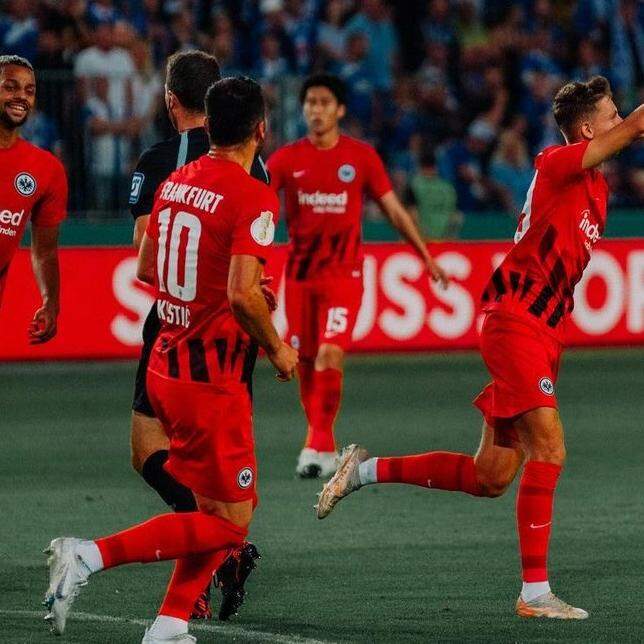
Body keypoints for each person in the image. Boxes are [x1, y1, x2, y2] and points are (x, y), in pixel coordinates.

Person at [316, 76, 644, 619]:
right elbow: (635, 128)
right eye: (610, 117)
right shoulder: (558, 162)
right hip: (514, 323)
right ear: (587, 130)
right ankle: (534, 593)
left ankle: (363, 470)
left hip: (543, 334)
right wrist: (630, 126)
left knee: (489, 476)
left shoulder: (601, 190)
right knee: (551, 449)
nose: (620, 123)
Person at [44, 75, 299, 643]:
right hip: (211, 380)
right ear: (262, 128)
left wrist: (222, 288)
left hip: (165, 363)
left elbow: (146, 270)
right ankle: (87, 556)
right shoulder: (253, 193)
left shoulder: (177, 181)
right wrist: (278, 349)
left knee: (218, 509)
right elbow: (239, 294)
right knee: (229, 522)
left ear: (207, 125)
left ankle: (169, 623)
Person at [128, 50, 270, 621]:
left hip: (178, 324)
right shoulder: (254, 168)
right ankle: (222, 550)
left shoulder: (162, 161)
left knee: (147, 453)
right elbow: (251, 263)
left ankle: (216, 553)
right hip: (235, 332)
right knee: (225, 469)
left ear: (171, 100)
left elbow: (148, 257)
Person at [268, 73, 448, 479]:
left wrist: (426, 257)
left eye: (324, 102)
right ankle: (323, 445)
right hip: (299, 279)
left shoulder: (361, 158)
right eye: (310, 102)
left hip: (343, 278)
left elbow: (395, 211)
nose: (316, 110)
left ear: (340, 109)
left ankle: (315, 446)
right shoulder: (285, 160)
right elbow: (259, 208)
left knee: (331, 353)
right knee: (307, 362)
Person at [0, 55, 67, 344]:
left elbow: (45, 251)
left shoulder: (46, 169)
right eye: (10, 87)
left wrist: (50, 301)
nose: (21, 97)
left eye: (29, 90)